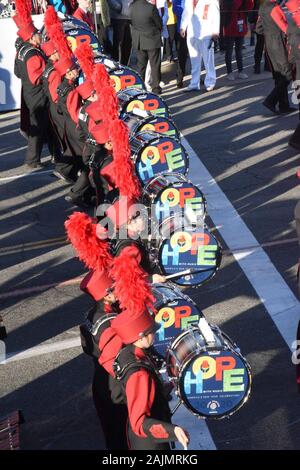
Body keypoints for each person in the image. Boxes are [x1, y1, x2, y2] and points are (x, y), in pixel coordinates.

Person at [106, 308, 190, 450]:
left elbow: (124, 394)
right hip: (150, 443)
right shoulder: (139, 374)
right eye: (151, 331)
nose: (154, 333)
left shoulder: (127, 353)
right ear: (140, 337)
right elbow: (140, 422)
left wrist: (171, 384)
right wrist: (173, 430)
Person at [79, 270, 128, 449]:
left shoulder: (91, 314)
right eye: (114, 288)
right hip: (115, 386)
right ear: (106, 295)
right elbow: (117, 362)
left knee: (111, 434)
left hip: (99, 381)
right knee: (123, 437)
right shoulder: (109, 322)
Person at [13, 8, 52, 170]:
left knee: (42, 125)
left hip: (28, 93)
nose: (39, 35)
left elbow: (17, 72)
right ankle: (32, 160)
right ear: (31, 37)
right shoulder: (33, 54)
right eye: (37, 33)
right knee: (39, 126)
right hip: (38, 95)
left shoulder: (21, 51)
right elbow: (37, 77)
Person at [259, 0, 294, 114]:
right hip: (279, 44)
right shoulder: (274, 8)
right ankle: (271, 101)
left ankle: (283, 105)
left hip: (269, 44)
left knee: (279, 75)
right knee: (287, 75)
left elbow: (258, 29)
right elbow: (285, 28)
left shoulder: (262, 7)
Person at [180, 0, 220, 92]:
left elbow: (216, 14)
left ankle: (210, 82)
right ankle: (194, 83)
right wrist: (183, 26)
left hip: (206, 32)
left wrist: (215, 31)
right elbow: (186, 12)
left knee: (208, 60)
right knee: (194, 60)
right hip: (192, 32)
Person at [130, 0, 163, 95]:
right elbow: (159, 23)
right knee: (155, 65)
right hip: (152, 39)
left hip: (139, 40)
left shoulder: (132, 7)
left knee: (141, 65)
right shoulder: (151, 8)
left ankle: (139, 87)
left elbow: (131, 22)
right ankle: (156, 87)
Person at [220, 0, 254, 81]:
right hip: (230, 27)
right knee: (229, 51)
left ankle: (241, 71)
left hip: (240, 26)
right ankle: (229, 72)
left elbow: (249, 6)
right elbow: (234, 5)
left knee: (239, 50)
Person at [108, 0, 133, 65]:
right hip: (118, 17)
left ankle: (125, 66)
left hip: (130, 17)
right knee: (118, 44)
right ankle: (116, 66)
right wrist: (120, 8)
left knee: (128, 44)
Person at [173, 0, 189, 88]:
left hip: (195, 29)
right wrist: (188, 13)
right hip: (182, 29)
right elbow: (175, 9)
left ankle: (197, 76)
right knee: (182, 55)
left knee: (197, 54)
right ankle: (180, 78)